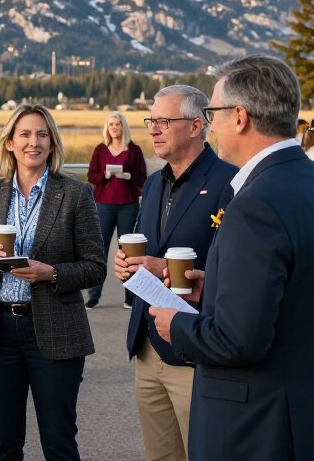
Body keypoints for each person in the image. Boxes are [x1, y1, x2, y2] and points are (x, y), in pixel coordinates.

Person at [150, 56, 314, 460]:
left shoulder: (256, 202)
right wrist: (216, 288)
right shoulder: (304, 180)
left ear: (239, 116)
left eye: (213, 113)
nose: (211, 125)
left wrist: (179, 325)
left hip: (254, 427)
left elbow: (240, 341)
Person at [0, 104, 105, 461]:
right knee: (4, 446)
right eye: (24, 134)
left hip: (56, 330)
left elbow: (95, 266)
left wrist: (51, 273)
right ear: (9, 142)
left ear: (52, 143)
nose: (33, 142)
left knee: (59, 443)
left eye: (42, 134)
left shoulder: (76, 194)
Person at [114, 85, 236, 461]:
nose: (153, 129)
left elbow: (235, 271)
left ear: (197, 126)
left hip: (195, 349)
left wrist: (164, 268)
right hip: (147, 347)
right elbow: (143, 246)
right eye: (152, 121)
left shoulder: (229, 182)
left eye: (164, 121)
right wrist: (127, 268)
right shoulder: (153, 183)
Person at [85, 110, 147, 309]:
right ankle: (93, 295)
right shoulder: (100, 149)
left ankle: (130, 296)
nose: (114, 128)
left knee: (129, 252)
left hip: (128, 206)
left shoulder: (134, 150)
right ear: (107, 128)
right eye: (111, 124)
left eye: (117, 124)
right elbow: (91, 176)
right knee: (99, 250)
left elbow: (143, 179)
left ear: (123, 126)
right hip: (104, 205)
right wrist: (104, 175)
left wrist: (128, 177)